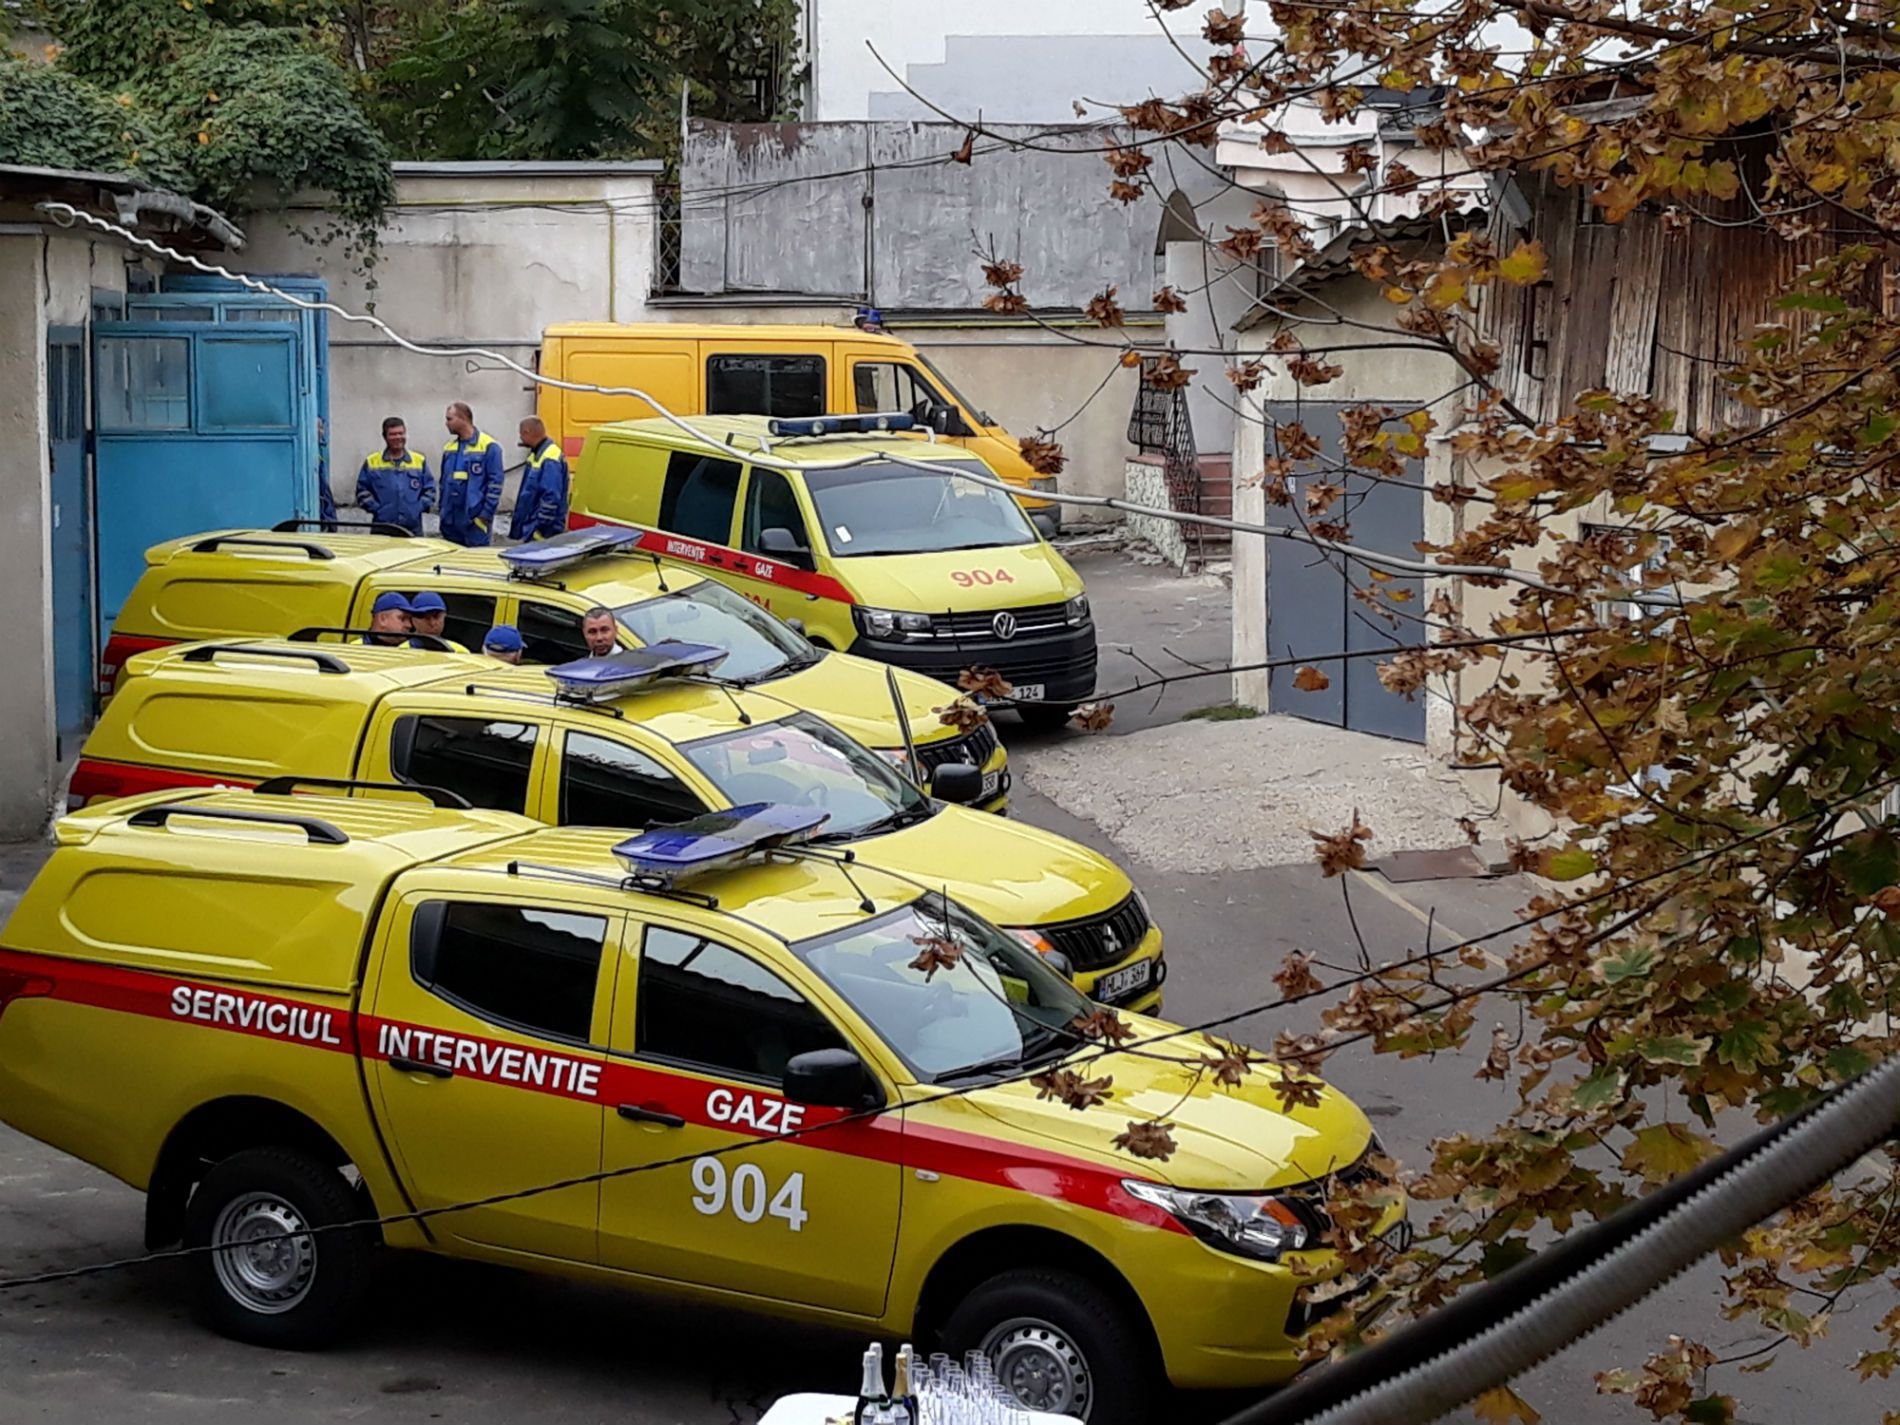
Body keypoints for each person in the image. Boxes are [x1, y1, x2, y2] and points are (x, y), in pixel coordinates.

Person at [439, 403, 504, 547]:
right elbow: (443, 484)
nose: (446, 423)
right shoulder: (449, 449)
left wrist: (484, 516)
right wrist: (443, 513)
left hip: (475, 522)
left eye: (449, 419)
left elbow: (495, 485)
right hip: (451, 521)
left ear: (462, 419)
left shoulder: (489, 447)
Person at [355, 417, 434, 535]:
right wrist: (378, 510)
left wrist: (417, 508)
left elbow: (430, 490)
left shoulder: (419, 460)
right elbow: (362, 491)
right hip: (382, 527)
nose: (398, 437)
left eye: (401, 433)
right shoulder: (372, 461)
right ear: (385, 436)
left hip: (412, 528)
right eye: (392, 434)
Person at [509, 416, 569, 542]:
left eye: (521, 434)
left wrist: (540, 528)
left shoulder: (550, 458)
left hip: (540, 531)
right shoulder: (536, 455)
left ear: (527, 432)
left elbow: (551, 495)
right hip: (531, 526)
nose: (520, 438)